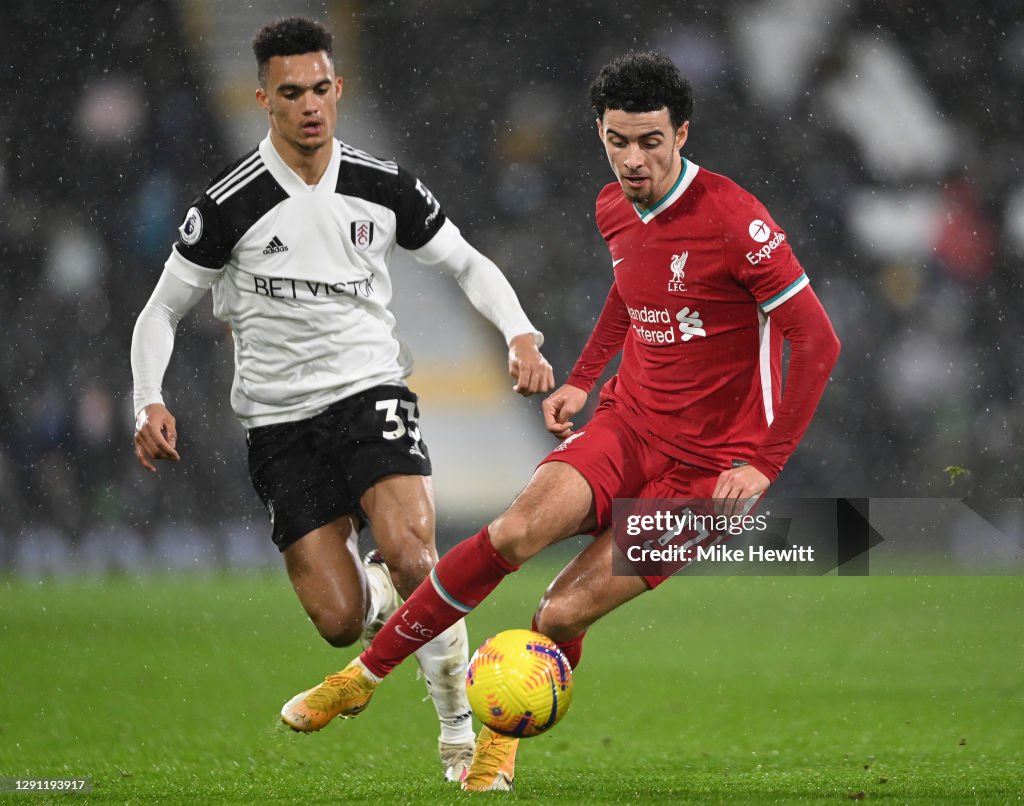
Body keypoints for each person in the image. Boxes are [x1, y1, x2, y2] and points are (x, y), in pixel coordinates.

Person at [278, 50, 841, 792]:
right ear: (600, 133)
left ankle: (500, 745)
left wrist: (762, 463)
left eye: (650, 142)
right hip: (628, 426)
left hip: (707, 476)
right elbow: (629, 291)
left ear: (682, 134)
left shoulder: (737, 222)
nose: (632, 160)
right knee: (513, 532)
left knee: (560, 613)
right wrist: (583, 378)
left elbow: (818, 339)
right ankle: (362, 675)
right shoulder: (614, 206)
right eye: (617, 140)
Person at [130, 16, 554, 784]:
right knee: (337, 622)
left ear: (339, 87)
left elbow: (465, 262)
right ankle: (383, 593)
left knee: (416, 550)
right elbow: (160, 310)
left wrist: (520, 334)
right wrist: (146, 400)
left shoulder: (381, 182)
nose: (309, 106)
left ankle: (463, 735)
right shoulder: (229, 206)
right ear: (264, 99)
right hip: (279, 423)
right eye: (291, 93)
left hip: (370, 391)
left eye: (321, 88)